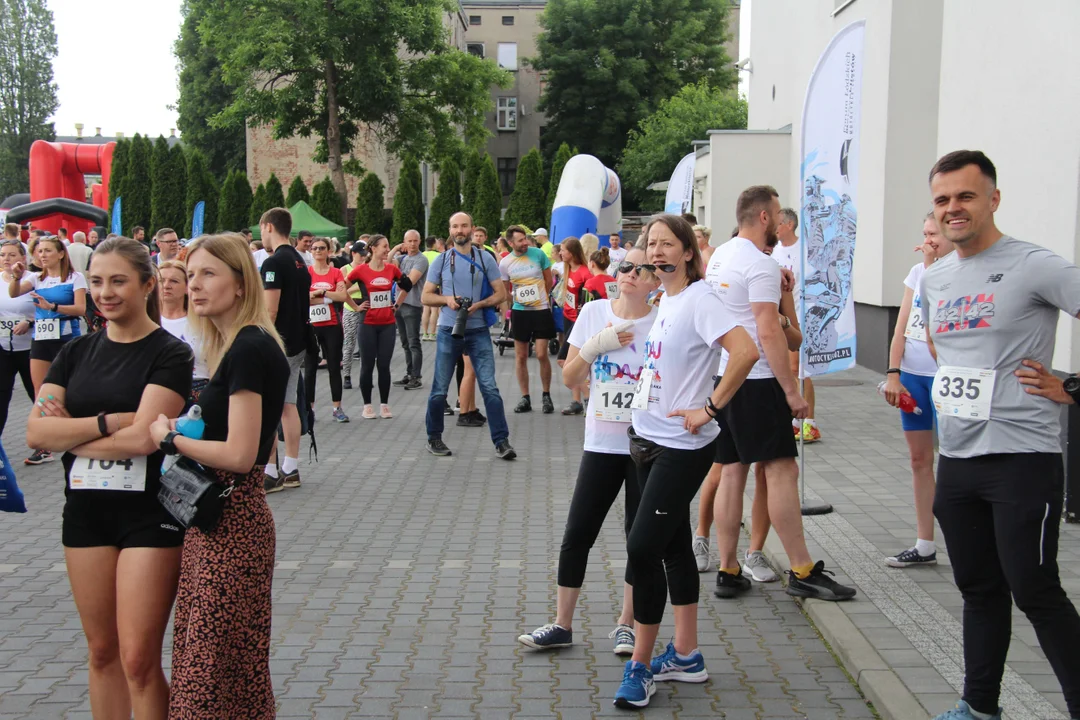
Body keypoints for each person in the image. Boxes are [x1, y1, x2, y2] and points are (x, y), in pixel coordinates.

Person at [915, 151, 1080, 720]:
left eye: (965, 196)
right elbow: (947, 352)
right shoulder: (936, 278)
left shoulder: (1035, 264)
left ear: (993, 199)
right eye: (942, 200)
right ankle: (979, 706)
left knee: (1035, 590)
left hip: (1022, 459)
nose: (953, 208)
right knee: (979, 591)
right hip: (957, 461)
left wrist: (1072, 386)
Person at [26, 236, 192, 719]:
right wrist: (110, 422)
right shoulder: (75, 353)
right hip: (85, 515)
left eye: (118, 281)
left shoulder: (169, 354)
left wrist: (70, 434)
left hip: (148, 517)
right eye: (96, 282)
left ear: (147, 285)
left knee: (138, 660)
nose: (105, 292)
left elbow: (145, 440)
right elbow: (37, 430)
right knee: (102, 653)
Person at [614, 214, 758, 709]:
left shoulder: (701, 299)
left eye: (667, 245)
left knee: (642, 549)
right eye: (651, 244)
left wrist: (710, 407)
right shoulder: (666, 299)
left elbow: (744, 353)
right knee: (673, 548)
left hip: (682, 445)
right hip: (646, 440)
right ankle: (687, 655)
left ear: (688, 253)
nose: (657, 252)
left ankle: (641, 666)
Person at [149, 232, 288, 718]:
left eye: (208, 273)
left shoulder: (249, 348)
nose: (195, 286)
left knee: (210, 670)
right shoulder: (242, 346)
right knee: (228, 669)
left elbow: (241, 454)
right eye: (190, 276)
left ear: (241, 283)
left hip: (233, 523)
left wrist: (171, 439)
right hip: (223, 523)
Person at [705, 186, 855, 603]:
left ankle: (728, 568)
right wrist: (790, 391)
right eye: (777, 213)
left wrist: (779, 284)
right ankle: (803, 570)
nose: (782, 223)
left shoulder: (721, 255)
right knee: (782, 471)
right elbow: (772, 332)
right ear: (766, 217)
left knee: (732, 470)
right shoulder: (760, 264)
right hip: (757, 380)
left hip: (725, 376)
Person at [518, 247, 659, 656]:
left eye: (641, 268)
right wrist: (597, 345)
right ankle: (562, 624)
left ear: (654, 281)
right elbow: (569, 378)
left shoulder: (660, 321)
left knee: (639, 538)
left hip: (645, 445)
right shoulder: (595, 312)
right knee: (578, 532)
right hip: (601, 443)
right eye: (625, 266)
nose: (630, 273)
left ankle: (626, 624)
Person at [880, 213, 954, 568]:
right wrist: (893, 373)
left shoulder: (958, 271)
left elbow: (937, 321)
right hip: (912, 374)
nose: (929, 240)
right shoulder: (917, 272)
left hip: (947, 377)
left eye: (934, 233)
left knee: (955, 460)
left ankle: (965, 539)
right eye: (925, 233)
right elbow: (902, 326)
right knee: (919, 460)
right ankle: (925, 543)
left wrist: (932, 267)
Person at [422, 212, 515, 460]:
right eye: (455, 226)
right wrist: (447, 300)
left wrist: (481, 304)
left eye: (464, 226)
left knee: (490, 388)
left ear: (472, 229)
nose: (460, 230)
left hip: (478, 330)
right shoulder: (441, 261)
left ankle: (501, 441)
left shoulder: (485, 258)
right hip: (447, 330)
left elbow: (501, 293)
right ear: (450, 231)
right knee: (439, 388)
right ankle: (434, 438)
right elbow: (426, 296)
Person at [10, 236, 88, 465]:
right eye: (39, 251)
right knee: (40, 390)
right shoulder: (35, 278)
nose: (42, 255)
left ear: (61, 253)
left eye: (47, 251)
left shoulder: (75, 278)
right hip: (42, 339)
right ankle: (44, 445)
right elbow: (14, 293)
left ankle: (77, 433)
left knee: (73, 387)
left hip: (67, 340)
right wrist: (16, 277)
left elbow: (81, 309)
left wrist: (52, 306)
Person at [259, 207, 310, 492]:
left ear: (268, 227)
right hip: (299, 341)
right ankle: (290, 467)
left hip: (279, 343)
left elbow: (271, 309)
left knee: (268, 407)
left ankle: (269, 471)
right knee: (287, 404)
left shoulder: (273, 263)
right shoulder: (299, 260)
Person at [769, 208, 820, 443]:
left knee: (799, 369)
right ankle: (794, 419)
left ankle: (809, 422)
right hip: (779, 318)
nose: (774, 227)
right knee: (788, 368)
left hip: (803, 317)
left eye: (778, 223)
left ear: (789, 225)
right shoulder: (775, 251)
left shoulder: (805, 250)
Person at [346, 235, 405, 419]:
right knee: (367, 365)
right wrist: (356, 306)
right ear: (372, 248)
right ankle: (367, 405)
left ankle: (385, 405)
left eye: (388, 246)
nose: (388, 249)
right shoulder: (360, 271)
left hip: (387, 324)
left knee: (384, 365)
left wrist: (397, 304)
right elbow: (342, 289)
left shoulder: (391, 269)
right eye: (384, 246)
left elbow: (407, 286)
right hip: (368, 324)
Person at [499, 224, 555, 414]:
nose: (524, 243)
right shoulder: (505, 263)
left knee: (541, 354)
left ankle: (546, 395)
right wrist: (515, 304)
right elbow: (506, 291)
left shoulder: (538, 254)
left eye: (525, 239)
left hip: (540, 310)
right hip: (520, 312)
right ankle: (525, 397)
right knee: (521, 356)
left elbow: (549, 281)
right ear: (510, 242)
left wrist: (541, 297)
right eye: (520, 240)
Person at [306, 237, 354, 423]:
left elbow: (342, 296)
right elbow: (303, 298)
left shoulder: (335, 273)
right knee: (310, 368)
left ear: (329, 251)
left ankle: (337, 408)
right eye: (315, 248)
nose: (318, 251)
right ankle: (309, 410)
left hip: (332, 325)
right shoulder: (307, 273)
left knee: (334, 367)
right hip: (311, 326)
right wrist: (326, 298)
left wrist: (322, 293)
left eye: (322, 248)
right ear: (311, 251)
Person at [158, 259, 211, 405]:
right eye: (161, 280)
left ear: (187, 287)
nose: (166, 286)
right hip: (157, 391)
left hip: (198, 390)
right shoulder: (147, 322)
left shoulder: (203, 321)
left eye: (174, 281)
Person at [0, 241, 36, 436]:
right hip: (4, 347)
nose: (6, 259)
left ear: (23, 258)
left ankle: (46, 444)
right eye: (3, 254)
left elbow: (46, 310)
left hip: (32, 348)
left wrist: (29, 322)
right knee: (2, 395)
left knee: (36, 395)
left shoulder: (34, 279)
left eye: (12, 255)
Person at [389, 230, 429, 391]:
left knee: (413, 341)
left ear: (420, 241)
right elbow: (387, 262)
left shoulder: (421, 260)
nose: (412, 244)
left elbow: (409, 282)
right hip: (399, 304)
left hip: (412, 304)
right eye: (409, 241)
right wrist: (395, 249)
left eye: (415, 241)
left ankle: (416, 376)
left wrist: (396, 275)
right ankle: (409, 372)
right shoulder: (402, 258)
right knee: (405, 342)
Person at [557, 236, 592, 415]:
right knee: (571, 361)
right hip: (567, 316)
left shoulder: (585, 273)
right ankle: (576, 401)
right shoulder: (568, 269)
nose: (560, 253)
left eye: (563, 250)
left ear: (572, 252)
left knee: (564, 360)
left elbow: (588, 300)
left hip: (578, 321)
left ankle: (588, 397)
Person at [341, 242, 368, 389]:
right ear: (353, 254)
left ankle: (365, 377)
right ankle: (346, 375)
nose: (363, 258)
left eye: (365, 255)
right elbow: (343, 291)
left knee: (365, 345)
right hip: (351, 308)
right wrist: (358, 284)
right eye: (360, 255)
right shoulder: (345, 269)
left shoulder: (367, 268)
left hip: (365, 307)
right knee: (349, 344)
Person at [421, 237, 442, 341]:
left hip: (424, 285)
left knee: (425, 310)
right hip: (435, 285)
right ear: (434, 243)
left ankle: (424, 333)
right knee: (434, 310)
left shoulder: (422, 255)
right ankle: (432, 334)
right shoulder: (439, 255)